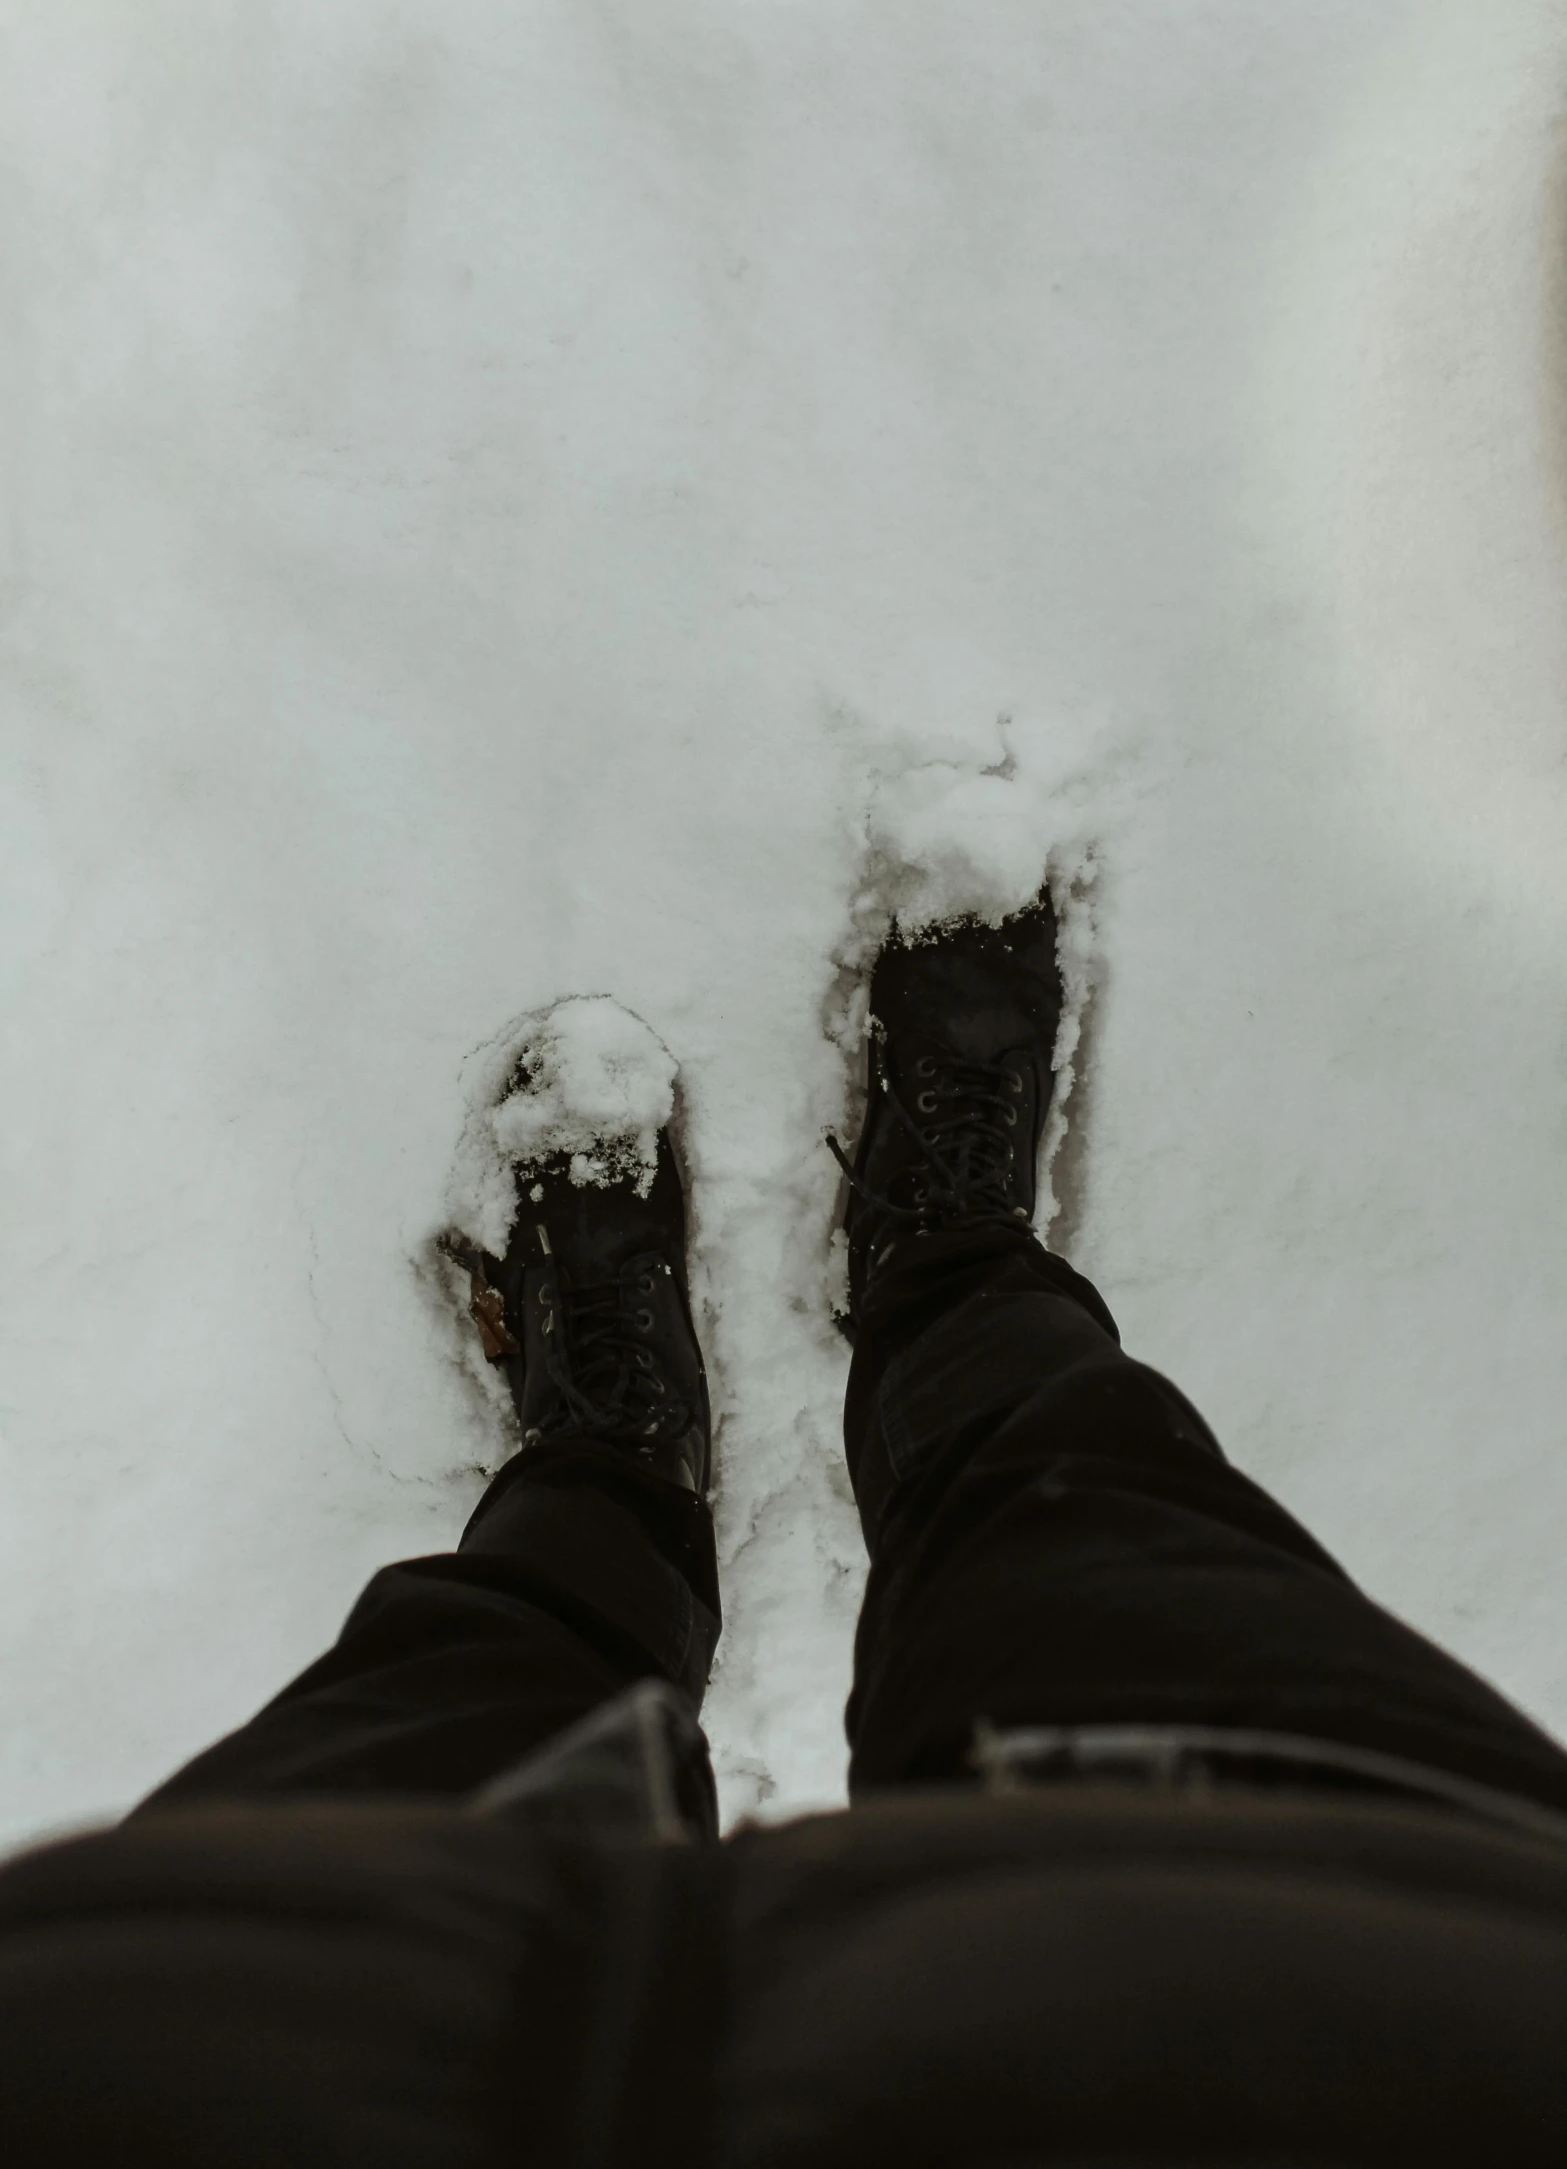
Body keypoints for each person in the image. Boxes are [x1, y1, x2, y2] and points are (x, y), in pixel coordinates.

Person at [6, 892, 1567, 2167]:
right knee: (1089, 1530)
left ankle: (613, 1458)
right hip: (1336, 1994)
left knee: (473, 1682)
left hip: (252, 2039)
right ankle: (948, 1268)